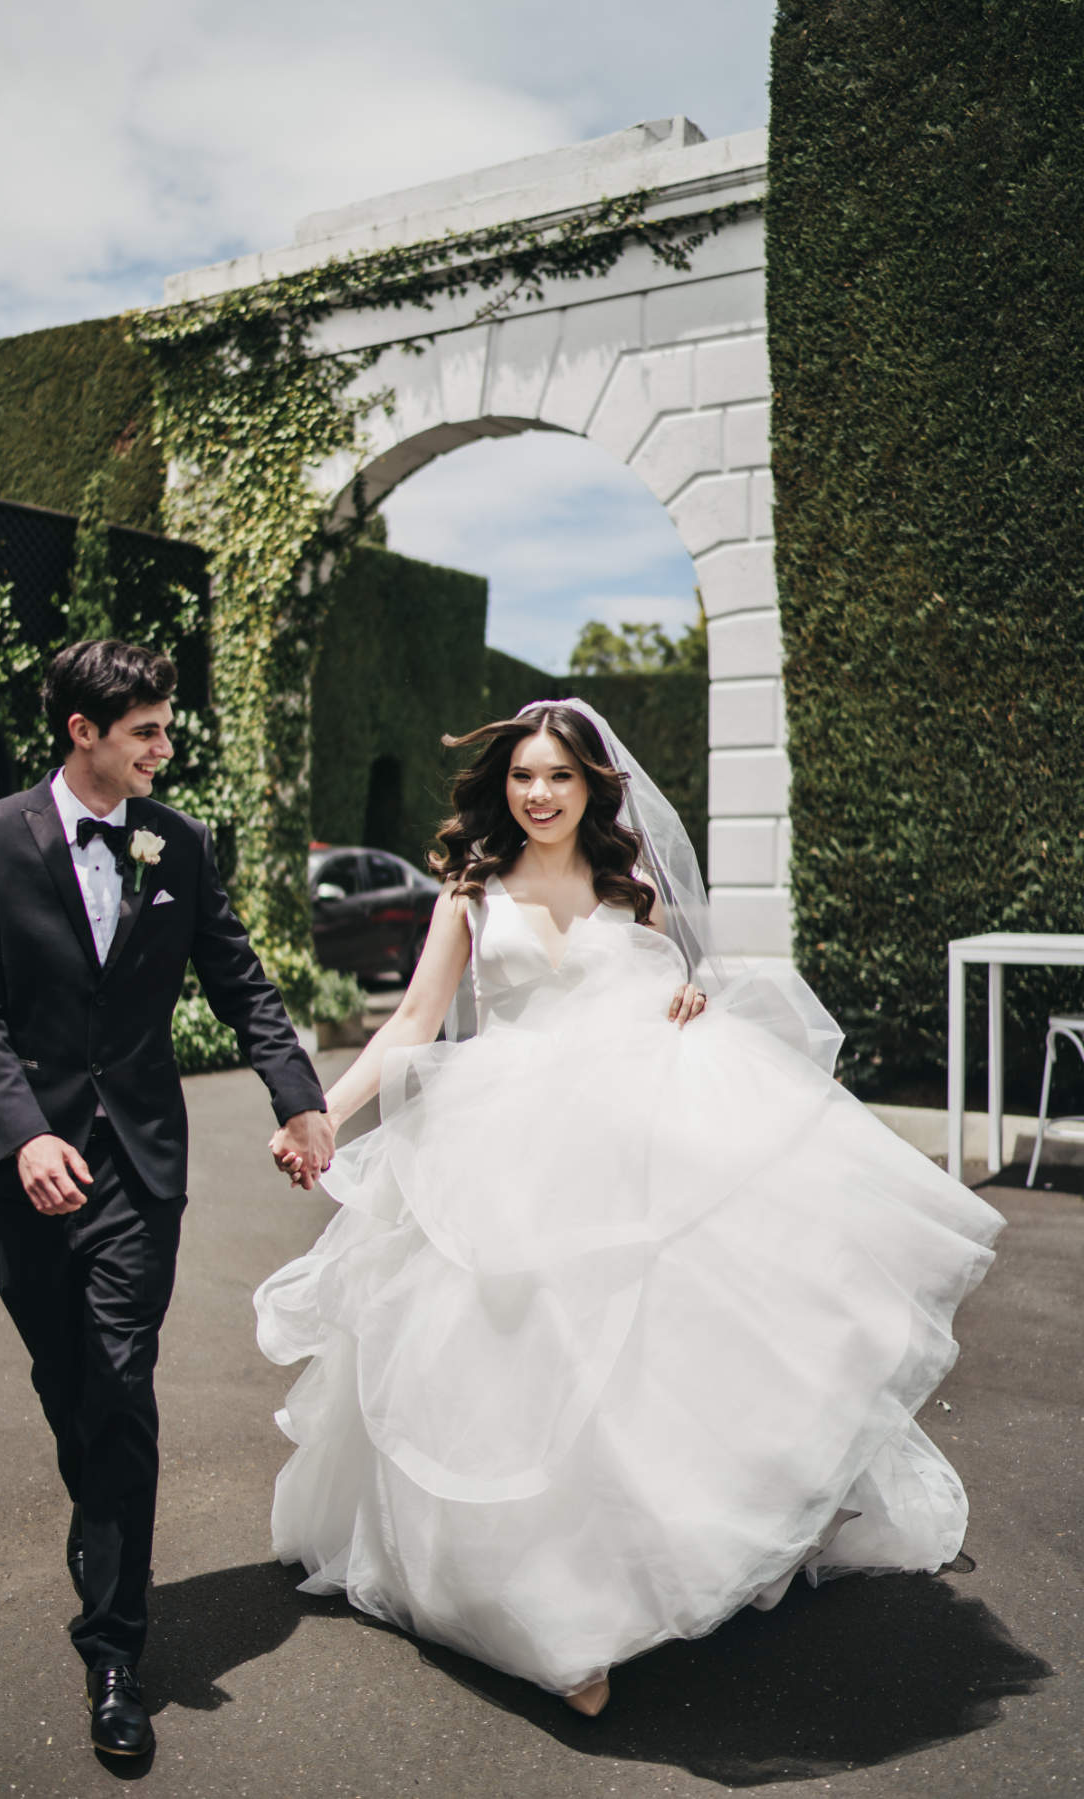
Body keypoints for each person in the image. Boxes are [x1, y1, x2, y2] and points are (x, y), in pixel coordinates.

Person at [254, 699, 1003, 1718]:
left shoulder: (632, 885)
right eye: (523, 774)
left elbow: (682, 983)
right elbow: (413, 1024)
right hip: (507, 1147)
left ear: (592, 786)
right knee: (526, 1376)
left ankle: (681, 1561)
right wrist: (321, 1113)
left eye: (558, 775)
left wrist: (692, 996)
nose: (539, 792)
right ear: (502, 786)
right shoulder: (470, 892)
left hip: (633, 1137)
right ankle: (558, 1617)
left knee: (650, 1368)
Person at [0, 638, 334, 1758]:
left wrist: (298, 1097)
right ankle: (101, 1518)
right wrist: (23, 1139)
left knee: (118, 1379)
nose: (168, 745)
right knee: (69, 1380)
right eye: (149, 730)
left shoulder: (180, 843)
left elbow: (242, 981)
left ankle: (115, 1645)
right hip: (22, 1170)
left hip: (138, 1169)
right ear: (84, 734)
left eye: (167, 726)